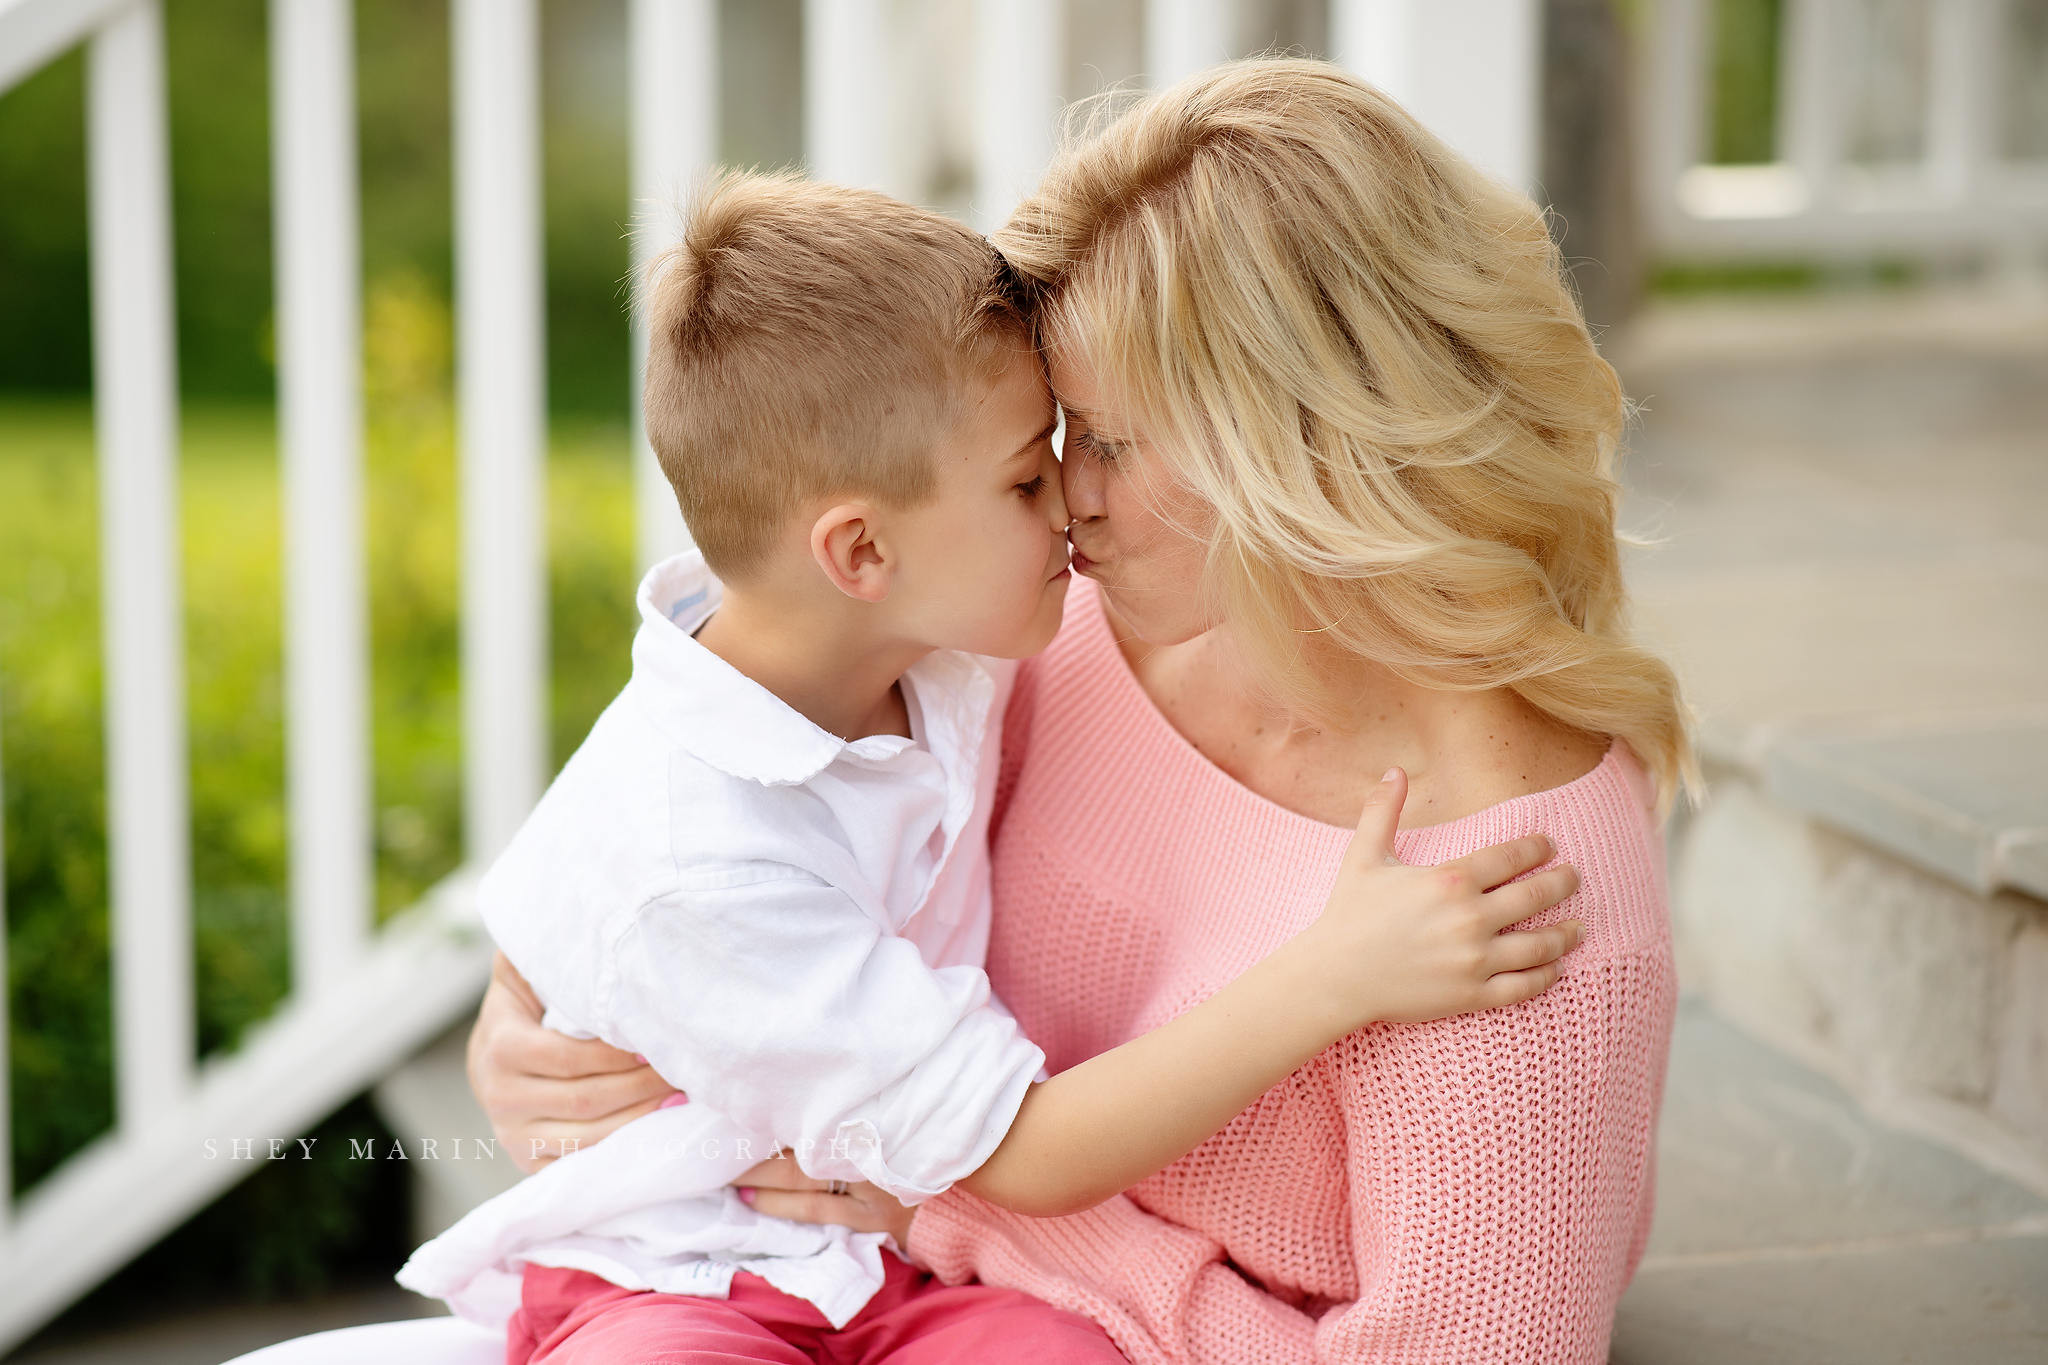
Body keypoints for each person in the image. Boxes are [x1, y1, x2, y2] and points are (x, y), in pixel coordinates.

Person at [411, 170, 1585, 1365]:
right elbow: (1024, 1151)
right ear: (861, 549)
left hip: (914, 1260)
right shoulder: (693, 855)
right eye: (1029, 478)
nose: (1070, 508)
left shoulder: (927, 655)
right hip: (676, 1267)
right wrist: (1333, 975)